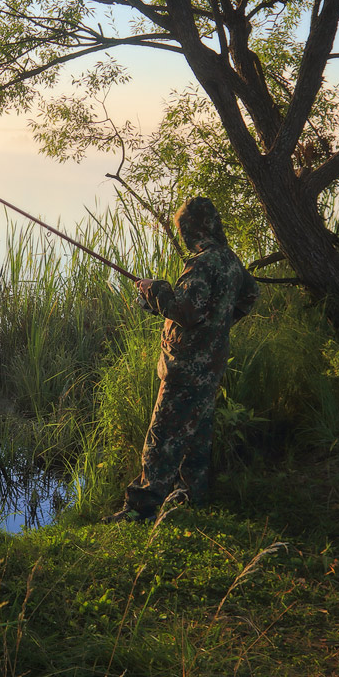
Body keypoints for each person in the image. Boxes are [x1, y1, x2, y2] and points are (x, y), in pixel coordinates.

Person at [106, 196, 259, 523]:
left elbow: (185, 312)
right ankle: (191, 499)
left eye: (183, 228)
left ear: (193, 228)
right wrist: (222, 324)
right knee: (196, 437)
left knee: (162, 439)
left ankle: (140, 510)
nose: (183, 234)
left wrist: (153, 289)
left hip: (185, 369)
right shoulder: (231, 261)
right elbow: (250, 295)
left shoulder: (203, 263)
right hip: (211, 367)